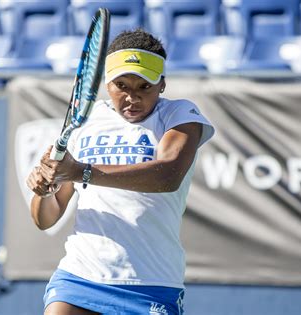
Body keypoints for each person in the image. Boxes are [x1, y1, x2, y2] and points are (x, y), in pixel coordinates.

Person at [26, 28, 215, 315]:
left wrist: (80, 171)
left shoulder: (180, 115)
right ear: (106, 83)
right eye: (121, 85)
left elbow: (167, 175)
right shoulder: (85, 124)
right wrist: (44, 190)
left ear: (162, 85)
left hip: (151, 280)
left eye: (144, 87)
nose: (132, 97)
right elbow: (46, 218)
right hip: (80, 275)